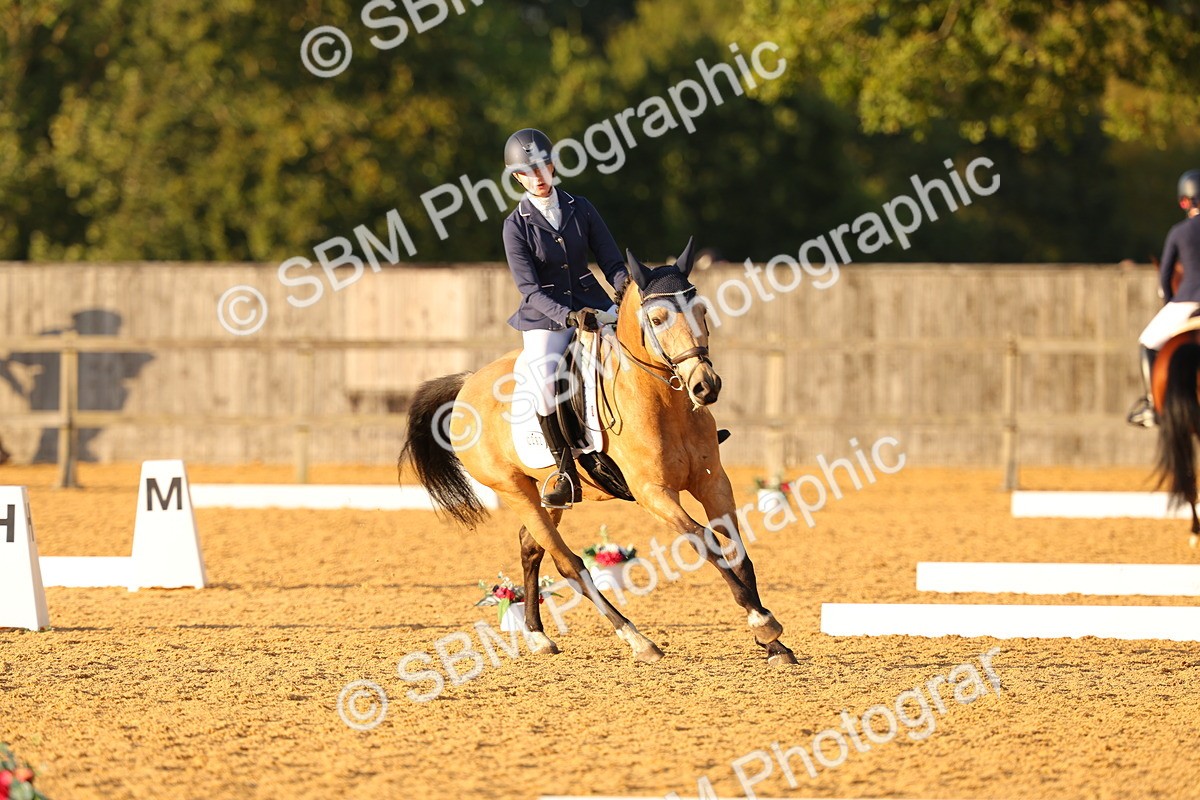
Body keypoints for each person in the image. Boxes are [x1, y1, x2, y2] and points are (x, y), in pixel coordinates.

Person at [501, 128, 628, 508]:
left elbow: (611, 261)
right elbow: (530, 290)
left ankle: (682, 433)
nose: (537, 177)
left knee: (648, 345)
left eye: (542, 167)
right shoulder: (515, 226)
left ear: (553, 165)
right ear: (517, 177)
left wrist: (625, 291)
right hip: (547, 318)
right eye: (528, 172)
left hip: (593, 302)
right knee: (543, 381)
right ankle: (564, 471)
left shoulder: (581, 207)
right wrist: (570, 317)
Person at [1128, 169, 1200, 428]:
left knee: (1147, 343)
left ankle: (1152, 404)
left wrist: (1170, 301)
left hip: (1186, 301)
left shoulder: (1179, 232)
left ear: (1185, 202)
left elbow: (1165, 275)